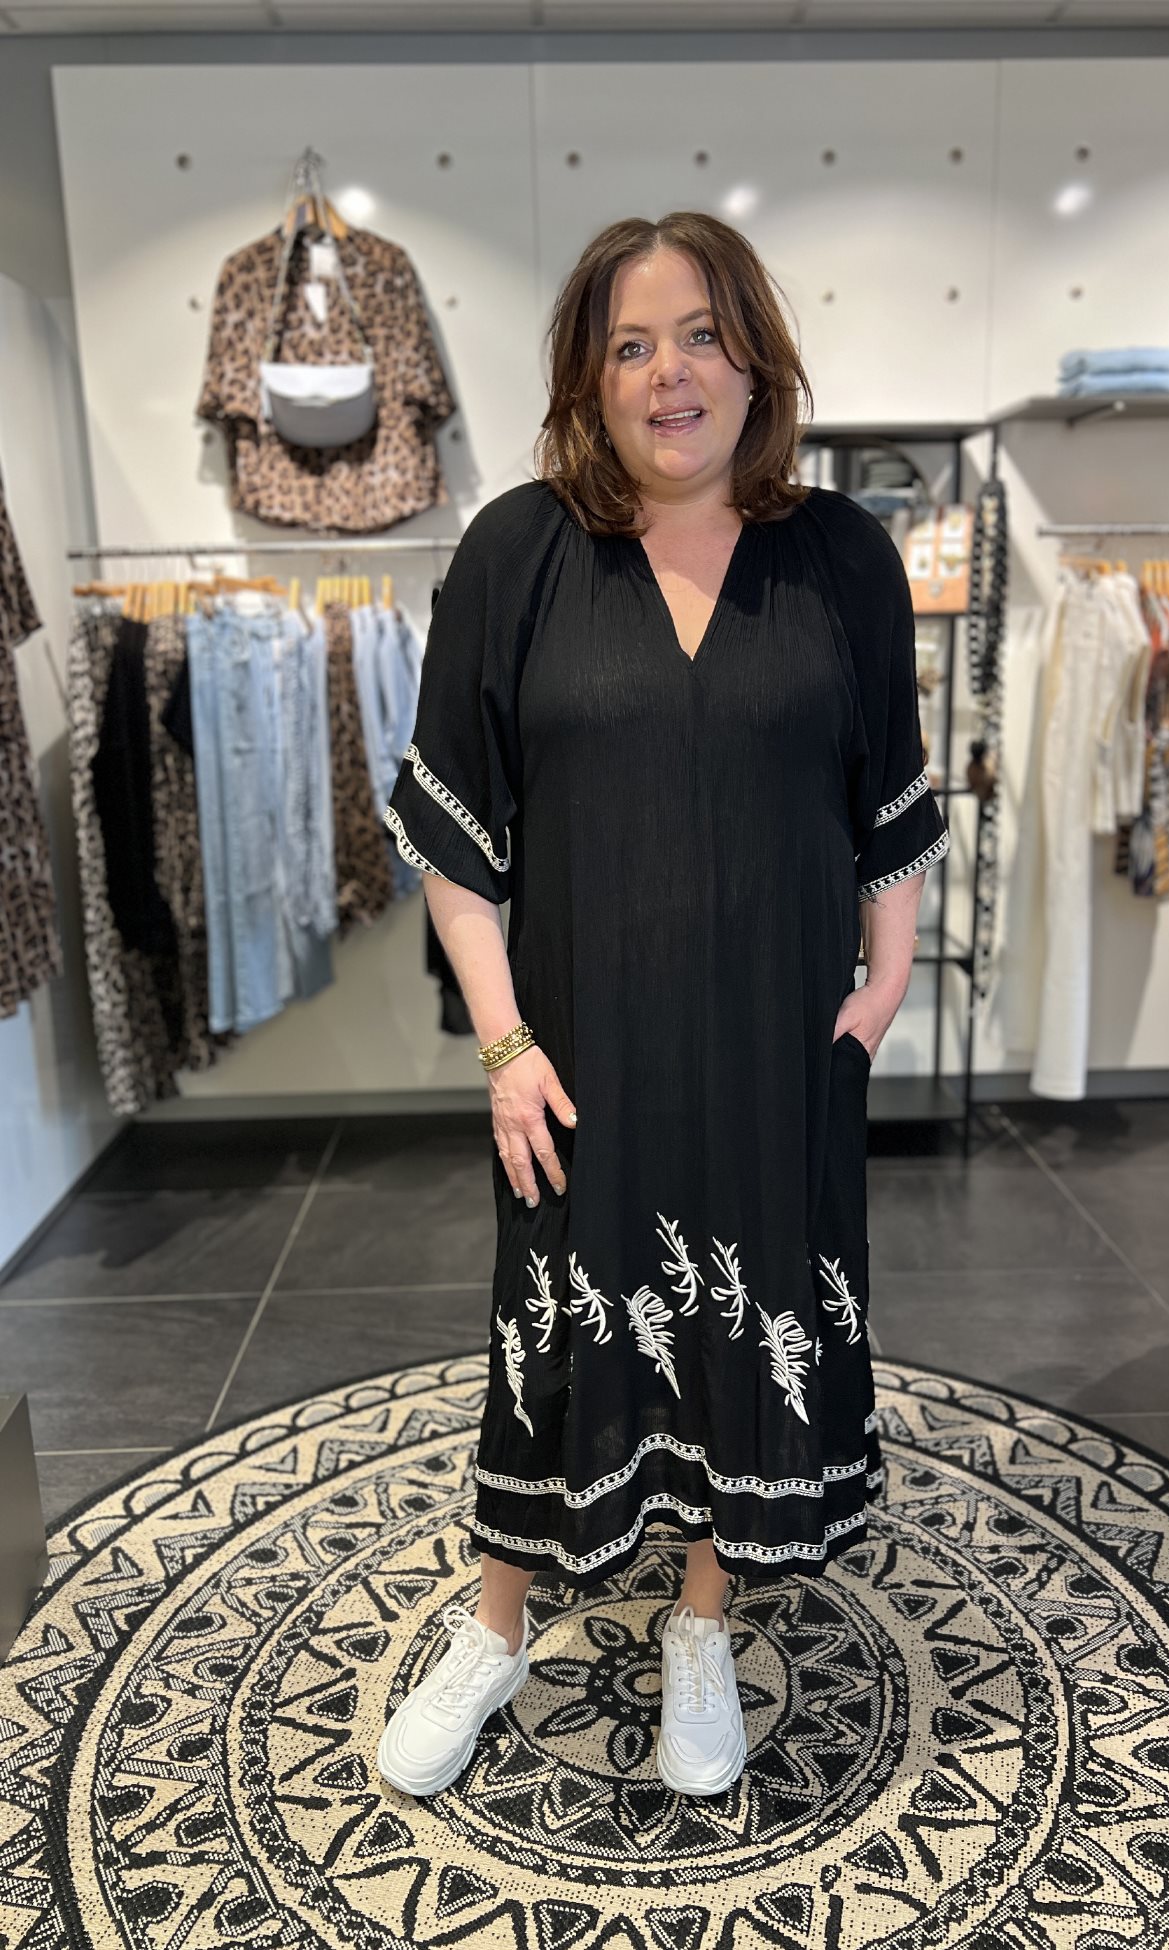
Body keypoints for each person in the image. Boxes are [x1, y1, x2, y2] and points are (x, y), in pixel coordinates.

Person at [376, 211, 949, 1801]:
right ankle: (497, 1624)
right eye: (629, 345)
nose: (668, 373)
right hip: (583, 1058)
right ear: (589, 378)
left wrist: (888, 975)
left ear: (756, 359)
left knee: (751, 1343)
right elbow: (455, 839)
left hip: (776, 1051)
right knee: (550, 1329)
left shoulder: (844, 560)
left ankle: (703, 1618)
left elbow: (889, 790)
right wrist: (503, 1044)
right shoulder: (519, 554)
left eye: (699, 334)